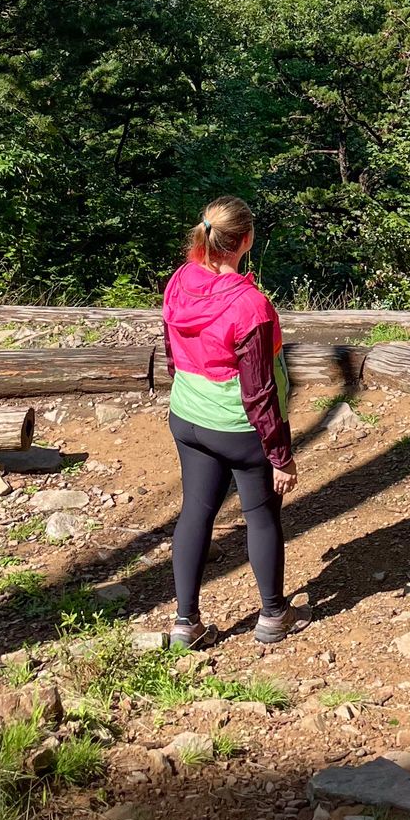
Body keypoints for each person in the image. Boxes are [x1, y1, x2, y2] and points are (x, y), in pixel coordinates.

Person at [161, 196, 301, 648]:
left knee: (196, 511)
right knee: (261, 516)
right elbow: (259, 391)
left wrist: (187, 390)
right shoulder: (250, 306)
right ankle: (273, 616)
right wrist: (280, 455)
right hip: (238, 429)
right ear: (246, 240)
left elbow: (172, 349)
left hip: (188, 415)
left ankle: (185, 623)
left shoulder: (180, 281)